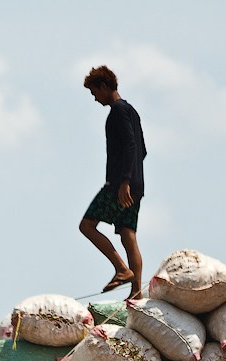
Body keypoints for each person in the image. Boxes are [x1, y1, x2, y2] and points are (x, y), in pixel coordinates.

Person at [80, 65, 147, 300]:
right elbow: (142, 150)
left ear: (104, 86)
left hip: (121, 184)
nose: (95, 98)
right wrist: (134, 179)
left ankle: (121, 269)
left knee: (86, 226)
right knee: (128, 234)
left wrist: (124, 181)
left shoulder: (118, 111)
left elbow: (130, 145)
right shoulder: (131, 110)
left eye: (94, 92)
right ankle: (136, 292)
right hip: (137, 185)